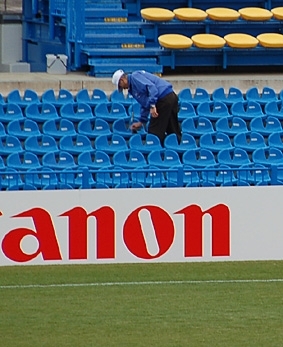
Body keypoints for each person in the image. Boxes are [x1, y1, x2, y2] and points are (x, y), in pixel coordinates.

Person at [111, 69, 181, 145]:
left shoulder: (135, 77)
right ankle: (175, 147)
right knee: (172, 128)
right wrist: (141, 122)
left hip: (163, 99)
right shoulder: (133, 87)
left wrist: (152, 106)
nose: (122, 88)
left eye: (120, 86)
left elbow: (152, 88)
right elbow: (145, 103)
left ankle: (158, 151)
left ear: (122, 80)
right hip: (170, 96)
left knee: (154, 132)